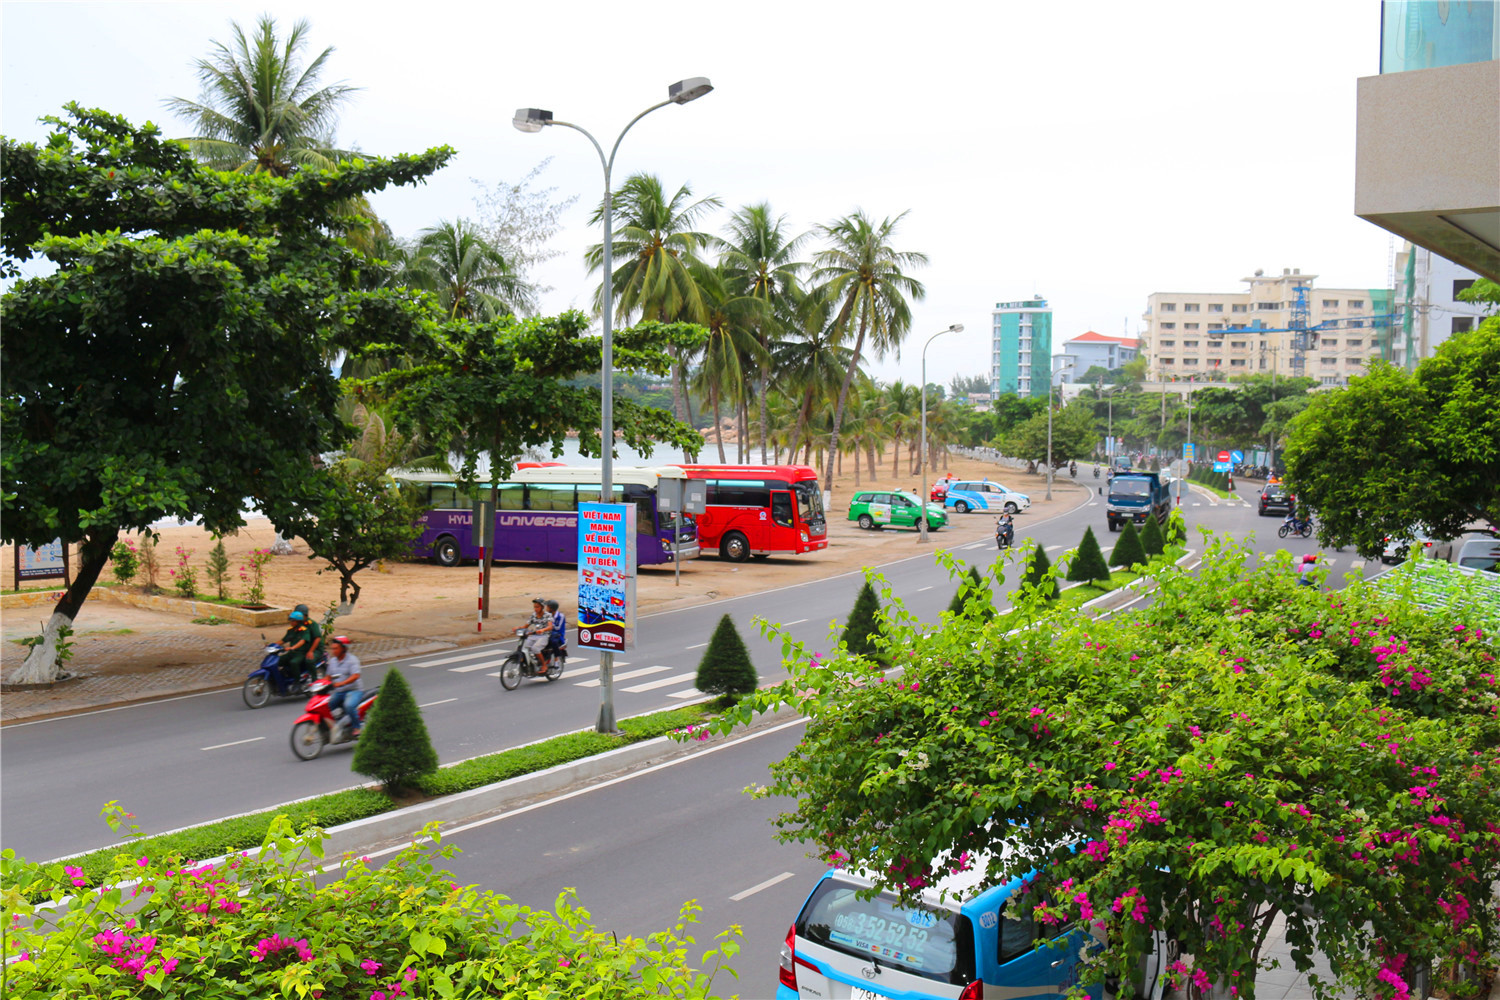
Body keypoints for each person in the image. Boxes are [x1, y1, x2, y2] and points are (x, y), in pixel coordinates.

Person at [324, 636, 363, 737]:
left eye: (336, 648)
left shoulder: (352, 660)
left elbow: (356, 675)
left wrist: (342, 683)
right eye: (332, 648)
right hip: (340, 691)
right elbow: (328, 677)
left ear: (344, 649)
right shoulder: (332, 661)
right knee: (326, 706)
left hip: (354, 690)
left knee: (349, 705)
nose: (333, 651)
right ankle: (333, 727)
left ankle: (357, 727)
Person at [279, 605, 323, 686]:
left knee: (309, 660)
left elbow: (317, 639)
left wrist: (311, 651)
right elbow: (285, 639)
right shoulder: (297, 624)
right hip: (302, 649)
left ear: (305, 615)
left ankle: (314, 681)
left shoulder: (312, 624)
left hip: (315, 648)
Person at [522, 598, 550, 670]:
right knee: (524, 648)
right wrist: (517, 628)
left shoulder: (547, 615)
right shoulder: (533, 615)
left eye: (537, 607)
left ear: (542, 607)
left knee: (535, 648)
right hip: (534, 635)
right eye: (534, 607)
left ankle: (544, 665)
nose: (535, 609)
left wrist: (543, 630)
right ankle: (530, 663)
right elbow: (525, 626)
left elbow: (550, 626)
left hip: (543, 636)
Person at [543, 599, 567, 670]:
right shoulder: (546, 615)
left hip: (558, 635)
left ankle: (556, 661)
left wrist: (551, 625)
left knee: (553, 642)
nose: (546, 608)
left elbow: (558, 627)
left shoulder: (561, 616)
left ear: (551, 608)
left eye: (547, 607)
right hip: (548, 633)